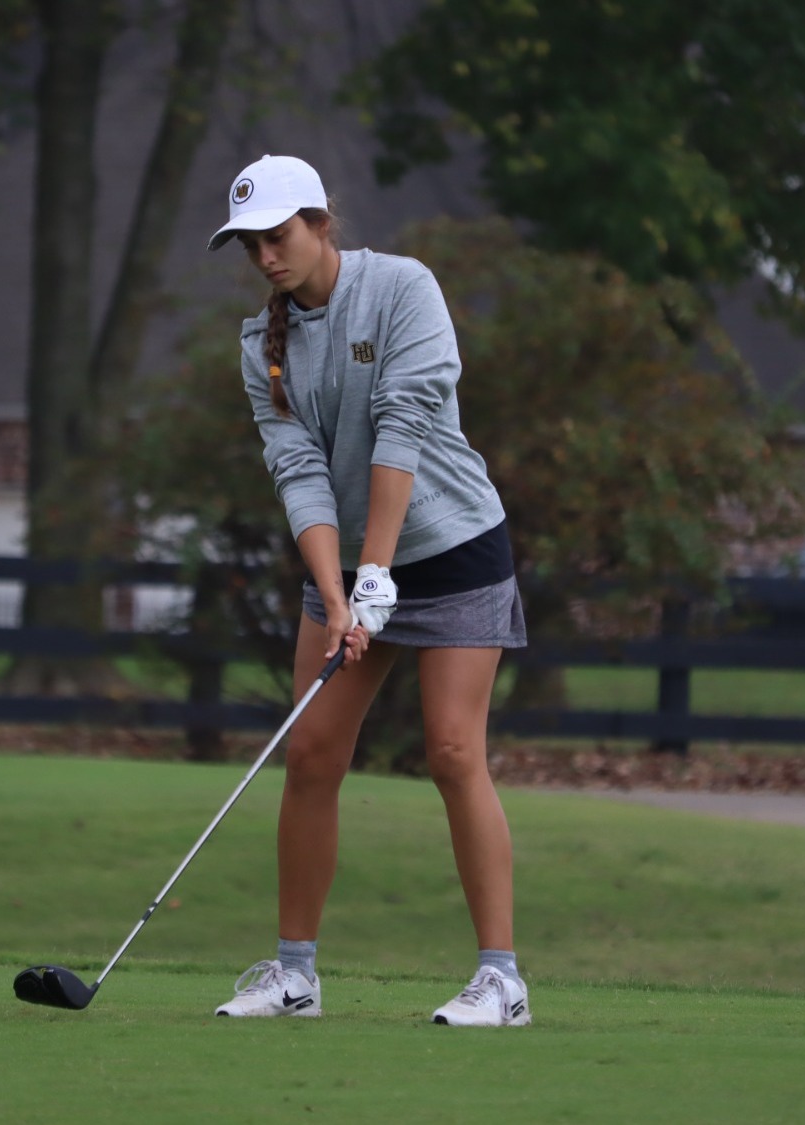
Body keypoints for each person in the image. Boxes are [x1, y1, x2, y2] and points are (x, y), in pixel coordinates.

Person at [202, 154, 530, 1028]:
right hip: (346, 568)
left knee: (454, 754)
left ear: (319, 223)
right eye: (250, 245)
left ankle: (502, 979)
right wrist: (337, 590)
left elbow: (403, 425)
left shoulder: (402, 290)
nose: (265, 256)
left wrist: (377, 571)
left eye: (277, 237)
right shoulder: (257, 347)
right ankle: (295, 973)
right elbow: (300, 471)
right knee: (311, 756)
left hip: (452, 548)